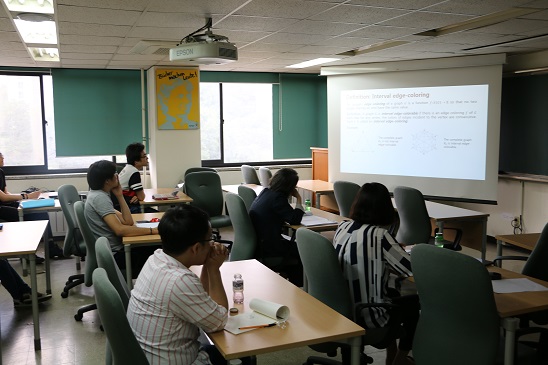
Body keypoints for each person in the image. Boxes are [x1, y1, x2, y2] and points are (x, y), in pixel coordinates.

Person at [127, 205, 232, 365]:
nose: (212, 244)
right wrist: (214, 270)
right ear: (196, 248)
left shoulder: (156, 258)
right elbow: (219, 321)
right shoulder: (179, 281)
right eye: (210, 239)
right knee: (232, 354)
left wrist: (208, 264)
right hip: (176, 360)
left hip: (148, 356)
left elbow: (201, 297)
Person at [333, 182, 419, 365]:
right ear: (385, 208)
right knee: (413, 304)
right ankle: (399, 361)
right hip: (369, 315)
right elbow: (411, 268)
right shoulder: (380, 236)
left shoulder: (342, 227)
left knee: (391, 293)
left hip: (343, 310)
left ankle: (391, 355)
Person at [84, 160, 158, 276]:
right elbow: (120, 230)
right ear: (107, 180)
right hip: (117, 255)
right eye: (114, 173)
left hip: (117, 250)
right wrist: (152, 231)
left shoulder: (98, 194)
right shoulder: (99, 198)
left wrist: (119, 195)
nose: (117, 175)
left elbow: (128, 222)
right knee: (161, 248)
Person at [0, 152, 64, 261]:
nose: (3, 159)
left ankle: (51, 248)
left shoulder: (1, 172)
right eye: (1, 158)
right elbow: (3, 198)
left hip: (6, 204)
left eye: (3, 157)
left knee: (43, 214)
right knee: (25, 217)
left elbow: (6, 193)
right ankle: (27, 254)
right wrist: (26, 196)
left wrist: (26, 198)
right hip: (1, 209)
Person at [249, 167, 304, 285]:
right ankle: (299, 286)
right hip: (269, 246)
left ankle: (289, 280)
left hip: (260, 242)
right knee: (304, 250)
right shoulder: (278, 198)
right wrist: (299, 199)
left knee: (294, 248)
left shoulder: (266, 192)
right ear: (290, 187)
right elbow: (294, 219)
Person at [114, 142, 156, 213]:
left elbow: (138, 196)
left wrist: (137, 196)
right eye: (144, 156)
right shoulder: (134, 172)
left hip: (120, 206)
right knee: (158, 215)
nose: (147, 158)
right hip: (126, 208)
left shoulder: (127, 168)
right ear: (136, 161)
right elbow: (142, 197)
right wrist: (138, 196)